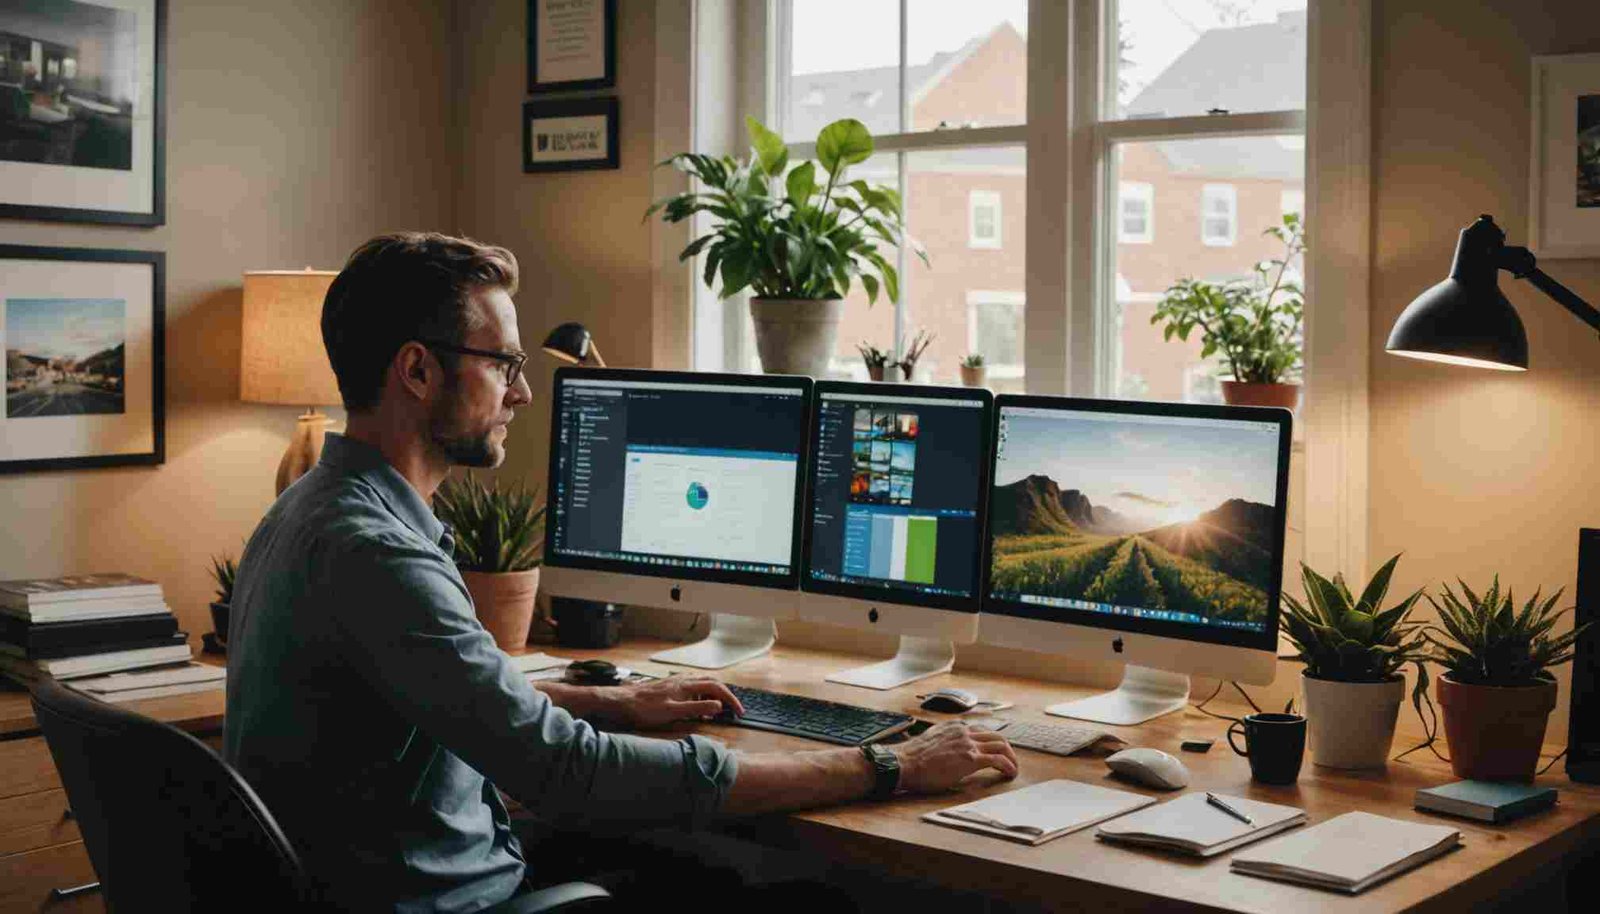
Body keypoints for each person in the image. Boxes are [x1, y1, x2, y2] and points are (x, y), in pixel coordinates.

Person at [222, 233, 1019, 913]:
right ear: (418, 372)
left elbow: (447, 694)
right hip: (446, 900)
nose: (525, 390)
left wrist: (614, 700)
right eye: (503, 364)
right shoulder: (377, 552)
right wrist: (883, 763)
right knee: (818, 900)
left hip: (402, 883)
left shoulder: (310, 510)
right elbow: (566, 769)